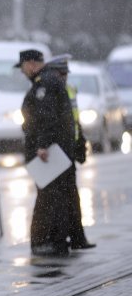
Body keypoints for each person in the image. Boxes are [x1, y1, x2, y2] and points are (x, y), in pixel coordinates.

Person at [18, 48, 75, 257]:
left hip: (50, 152)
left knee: (48, 198)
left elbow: (46, 117)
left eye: (23, 67)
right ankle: (57, 240)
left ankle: (46, 241)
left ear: (31, 64)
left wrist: (42, 145)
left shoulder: (44, 84)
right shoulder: (48, 81)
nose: (23, 72)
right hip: (59, 149)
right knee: (55, 197)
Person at [46, 54, 95, 250]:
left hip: (69, 149)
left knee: (71, 197)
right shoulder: (54, 90)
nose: (64, 76)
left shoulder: (68, 89)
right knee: (63, 198)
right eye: (61, 73)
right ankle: (64, 238)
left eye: (66, 73)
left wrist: (80, 143)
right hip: (60, 151)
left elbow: (74, 121)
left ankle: (76, 237)